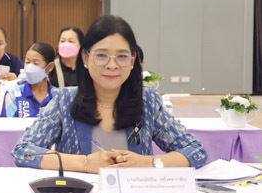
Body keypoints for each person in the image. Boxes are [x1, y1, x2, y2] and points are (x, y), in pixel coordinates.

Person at [12, 15, 207, 172]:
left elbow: (195, 151)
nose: (112, 65)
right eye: (101, 55)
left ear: (132, 61)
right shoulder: (64, 101)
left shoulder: (147, 102)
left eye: (122, 56)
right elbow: (23, 151)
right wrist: (85, 163)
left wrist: (148, 163)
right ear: (85, 58)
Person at [2, 42, 56, 118]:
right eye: (27, 62)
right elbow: (7, 124)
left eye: (36, 63)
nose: (30, 67)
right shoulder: (13, 93)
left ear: (50, 67)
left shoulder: (57, 95)